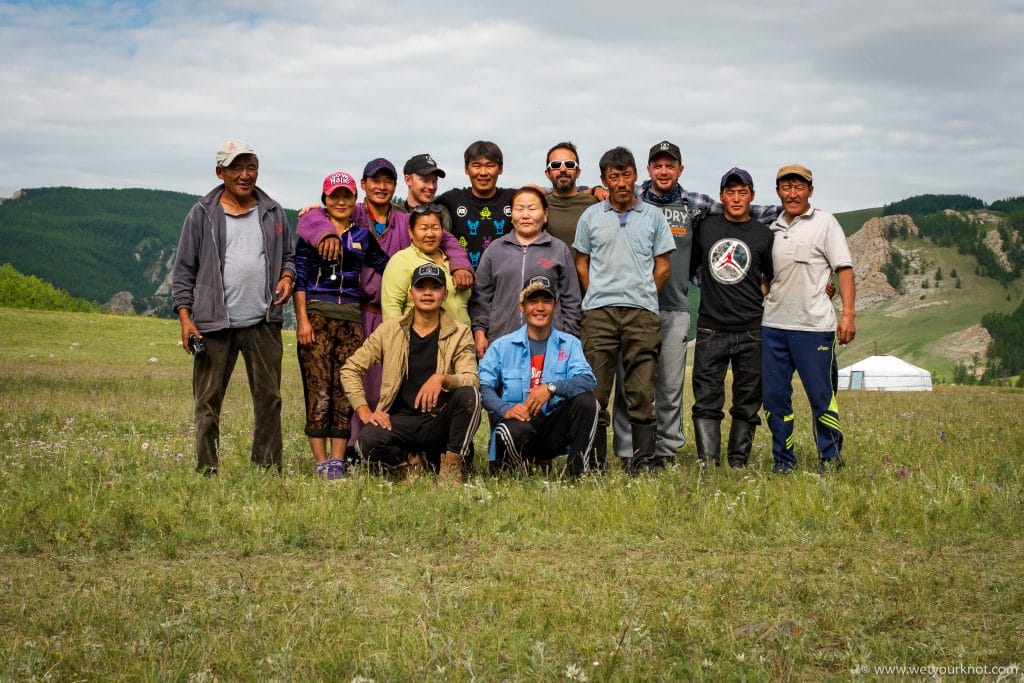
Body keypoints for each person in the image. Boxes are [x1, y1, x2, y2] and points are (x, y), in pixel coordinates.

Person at [612, 141, 781, 470]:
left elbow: (748, 211)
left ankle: (666, 451)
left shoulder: (697, 205)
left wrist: (794, 208)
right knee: (630, 384)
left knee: (671, 386)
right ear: (648, 170)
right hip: (632, 307)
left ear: (680, 169)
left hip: (675, 307)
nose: (664, 171)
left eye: (670, 165)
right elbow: (601, 190)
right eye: (657, 165)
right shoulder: (631, 198)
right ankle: (629, 453)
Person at [296, 158, 472, 448]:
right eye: (374, 181)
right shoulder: (354, 212)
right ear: (362, 186)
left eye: (386, 181)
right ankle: (352, 448)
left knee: (387, 384)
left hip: (395, 312)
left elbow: (445, 236)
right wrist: (321, 226)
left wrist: (461, 262)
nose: (381, 187)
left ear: (395, 185)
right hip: (356, 310)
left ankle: (388, 441)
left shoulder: (404, 220)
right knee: (354, 379)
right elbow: (311, 219)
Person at [171, 140, 294, 475]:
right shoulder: (201, 215)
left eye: (251, 166)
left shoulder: (273, 211)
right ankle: (207, 470)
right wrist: (185, 318)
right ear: (220, 172)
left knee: (269, 400)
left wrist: (286, 276)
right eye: (237, 168)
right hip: (213, 324)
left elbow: (288, 258)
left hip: (263, 321)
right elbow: (183, 271)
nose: (245, 175)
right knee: (207, 402)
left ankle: (266, 470)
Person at [573, 146, 675, 472]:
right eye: (613, 177)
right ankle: (593, 460)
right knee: (595, 389)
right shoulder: (590, 216)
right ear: (604, 179)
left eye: (626, 175)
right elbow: (581, 262)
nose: (621, 182)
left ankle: (642, 460)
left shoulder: (654, 217)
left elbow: (663, 266)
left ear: (635, 175)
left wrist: (643, 293)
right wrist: (598, 294)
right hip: (599, 313)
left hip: (642, 312)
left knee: (641, 389)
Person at [341, 263, 482, 484]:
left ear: (444, 294)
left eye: (434, 287)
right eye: (421, 287)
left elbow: (471, 378)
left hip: (436, 421)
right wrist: (365, 411)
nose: (427, 292)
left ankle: (453, 465)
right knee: (366, 442)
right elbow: (351, 368)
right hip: (398, 420)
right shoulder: (389, 330)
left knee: (470, 395)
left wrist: (442, 378)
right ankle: (409, 463)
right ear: (411, 293)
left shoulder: (460, 333)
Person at [293, 171, 389, 479]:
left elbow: (386, 264)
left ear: (354, 199)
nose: (341, 201)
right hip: (317, 316)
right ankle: (320, 461)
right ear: (325, 200)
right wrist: (303, 321)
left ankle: (338, 461)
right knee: (318, 389)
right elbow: (300, 277)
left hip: (350, 318)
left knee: (345, 387)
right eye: (334, 196)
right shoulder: (312, 233)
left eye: (346, 195)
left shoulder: (361, 235)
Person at [761, 164, 856, 474]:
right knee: (775, 398)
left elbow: (843, 268)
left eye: (799, 187)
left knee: (821, 396)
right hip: (774, 325)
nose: (792, 193)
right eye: (786, 187)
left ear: (810, 190)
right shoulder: (771, 229)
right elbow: (765, 274)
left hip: (814, 327)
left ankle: (830, 459)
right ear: (778, 192)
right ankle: (783, 461)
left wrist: (848, 314)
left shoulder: (825, 223)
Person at [689, 168, 774, 468]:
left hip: (752, 330)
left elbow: (772, 277)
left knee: (748, 402)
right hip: (711, 328)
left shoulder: (764, 234)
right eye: (730, 192)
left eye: (743, 192)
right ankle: (709, 464)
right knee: (706, 401)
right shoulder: (707, 226)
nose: (736, 198)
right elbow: (690, 262)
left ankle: (738, 463)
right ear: (722, 196)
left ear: (752, 196)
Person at [478, 276, 599, 478]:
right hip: (516, 424)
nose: (540, 308)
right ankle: (519, 467)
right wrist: (505, 409)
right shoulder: (501, 346)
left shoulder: (569, 344)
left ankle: (578, 473)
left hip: (551, 426)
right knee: (511, 432)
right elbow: (484, 388)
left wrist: (551, 388)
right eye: (533, 301)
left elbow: (587, 379)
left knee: (587, 402)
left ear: (555, 307)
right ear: (522, 307)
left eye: (547, 301)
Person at [469, 186, 582, 359]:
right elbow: (481, 297)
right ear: (511, 215)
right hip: (502, 340)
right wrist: (479, 332)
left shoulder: (559, 249)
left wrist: (570, 339)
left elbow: (571, 298)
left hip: (550, 343)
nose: (525, 215)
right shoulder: (495, 249)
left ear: (545, 214)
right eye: (519, 209)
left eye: (532, 208)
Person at [380, 205, 472, 324]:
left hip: (463, 339)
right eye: (423, 228)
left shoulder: (454, 262)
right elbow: (391, 307)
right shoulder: (401, 260)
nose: (430, 234)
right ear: (410, 232)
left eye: (435, 228)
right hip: (421, 340)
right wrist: (397, 340)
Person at [435, 140, 518, 269]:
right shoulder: (452, 199)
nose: (483, 172)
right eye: (476, 165)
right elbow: (422, 208)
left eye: (490, 165)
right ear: (466, 169)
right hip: (463, 281)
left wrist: (540, 191)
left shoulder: (514, 198)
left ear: (500, 169)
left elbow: (540, 201)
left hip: (504, 281)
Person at [543, 141, 599, 246]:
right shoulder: (538, 205)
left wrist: (597, 189)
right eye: (556, 165)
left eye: (569, 164)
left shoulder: (595, 204)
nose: (563, 169)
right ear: (547, 173)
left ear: (577, 172)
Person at [392, 153, 455, 232]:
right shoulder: (394, 214)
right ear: (408, 180)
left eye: (434, 181)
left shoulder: (442, 213)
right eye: (425, 180)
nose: (431, 186)